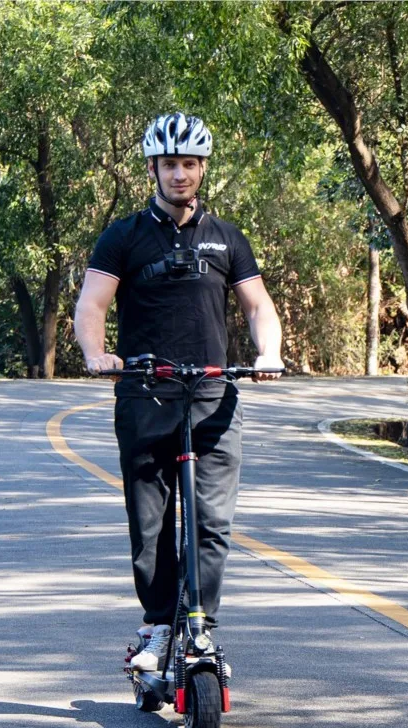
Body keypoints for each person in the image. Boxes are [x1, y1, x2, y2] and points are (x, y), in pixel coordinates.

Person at [74, 112, 283, 671]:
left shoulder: (226, 237)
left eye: (189, 163)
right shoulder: (124, 236)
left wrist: (268, 353)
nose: (180, 174)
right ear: (153, 169)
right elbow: (92, 304)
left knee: (211, 522)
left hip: (213, 398)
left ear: (202, 168)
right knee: (151, 525)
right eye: (170, 164)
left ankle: (201, 627)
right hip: (146, 394)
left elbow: (258, 306)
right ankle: (158, 627)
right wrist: (98, 354)